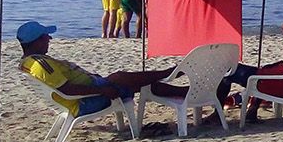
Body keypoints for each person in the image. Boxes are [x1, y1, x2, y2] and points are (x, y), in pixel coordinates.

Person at [16, 20, 177, 118]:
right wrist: (102, 90)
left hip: (86, 92)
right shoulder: (40, 65)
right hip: (82, 103)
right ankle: (169, 74)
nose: (49, 39)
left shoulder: (30, 62)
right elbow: (68, 90)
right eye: (45, 37)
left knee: (132, 81)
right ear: (36, 42)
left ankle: (177, 84)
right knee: (120, 78)